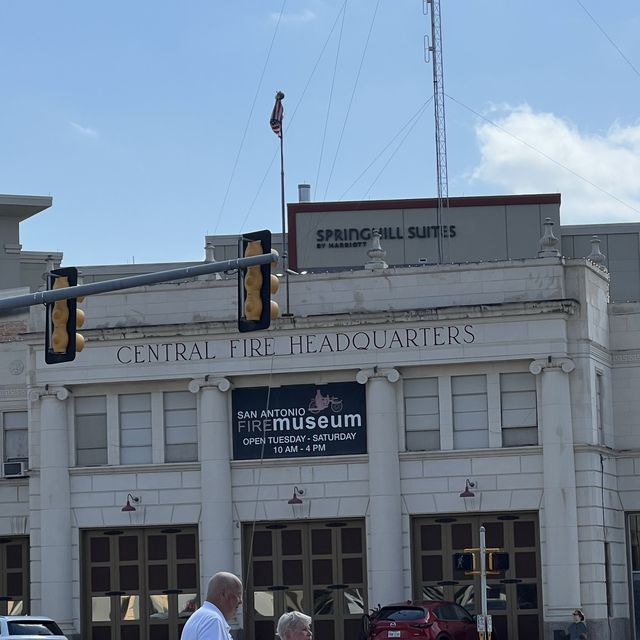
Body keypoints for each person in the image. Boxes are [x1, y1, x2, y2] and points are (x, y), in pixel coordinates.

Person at [180, 571, 243, 640]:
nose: (240, 601)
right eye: (238, 594)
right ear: (223, 594)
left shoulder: (203, 616)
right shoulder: (213, 620)